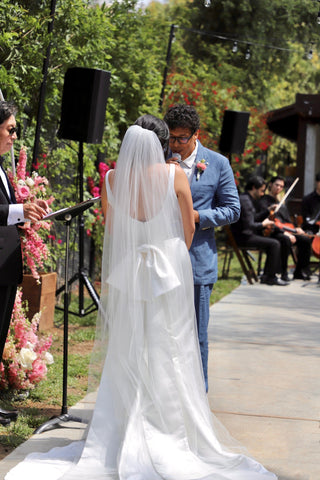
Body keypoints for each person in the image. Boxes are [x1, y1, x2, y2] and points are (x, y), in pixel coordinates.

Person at [6, 116, 277, 480]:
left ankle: (120, 429)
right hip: (167, 271)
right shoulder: (174, 176)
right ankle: (168, 428)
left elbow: (113, 226)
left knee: (130, 346)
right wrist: (174, 257)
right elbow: (188, 225)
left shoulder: (111, 179)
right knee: (170, 347)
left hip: (130, 272)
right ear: (162, 143)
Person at [164, 104, 240, 392]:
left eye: (181, 138)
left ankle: (198, 395)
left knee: (196, 335)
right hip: (162, 259)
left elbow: (232, 210)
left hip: (198, 261)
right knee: (164, 333)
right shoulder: (160, 159)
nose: (174, 144)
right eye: (170, 138)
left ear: (196, 134)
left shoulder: (217, 163)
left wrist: (197, 216)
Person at [0, 101, 49, 426]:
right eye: (10, 129)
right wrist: (20, 212)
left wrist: (27, 208)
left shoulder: (2, 168)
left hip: (4, 268)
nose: (14, 136)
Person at [231, 175, 289, 286]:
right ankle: (269, 277)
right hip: (243, 237)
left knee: (275, 241)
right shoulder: (245, 201)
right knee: (274, 243)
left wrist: (267, 211)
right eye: (262, 191)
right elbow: (250, 225)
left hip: (246, 234)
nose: (263, 194)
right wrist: (264, 224)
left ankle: (267, 275)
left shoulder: (247, 198)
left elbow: (253, 218)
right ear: (254, 188)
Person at [258, 176, 312, 281]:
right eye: (276, 185)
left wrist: (296, 229)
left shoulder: (281, 204)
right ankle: (284, 272)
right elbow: (271, 222)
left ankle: (300, 272)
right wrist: (285, 233)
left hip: (286, 231)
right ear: (270, 185)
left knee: (305, 240)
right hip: (272, 232)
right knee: (285, 240)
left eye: (281, 186)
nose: (279, 188)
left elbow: (287, 222)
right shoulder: (264, 201)